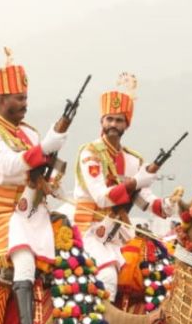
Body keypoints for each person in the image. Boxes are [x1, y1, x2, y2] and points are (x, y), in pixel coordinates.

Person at [0, 48, 70, 324]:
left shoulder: (29, 132)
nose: (25, 103)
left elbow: (45, 166)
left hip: (37, 208)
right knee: (25, 261)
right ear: (1, 100)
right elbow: (8, 165)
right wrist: (44, 149)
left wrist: (52, 177)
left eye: (26, 97)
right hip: (10, 211)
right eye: (18, 97)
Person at [71, 73, 179, 295]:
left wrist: (167, 205)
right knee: (108, 276)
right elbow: (102, 198)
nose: (113, 124)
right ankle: (99, 318)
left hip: (118, 233)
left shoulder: (133, 160)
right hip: (88, 230)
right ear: (102, 121)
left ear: (126, 125)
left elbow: (145, 201)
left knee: (153, 268)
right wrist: (136, 181)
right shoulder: (90, 153)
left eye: (119, 120)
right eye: (109, 119)